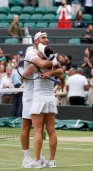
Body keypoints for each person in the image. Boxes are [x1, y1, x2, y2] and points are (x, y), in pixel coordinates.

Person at [20, 31, 61, 168]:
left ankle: (39, 157)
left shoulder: (46, 54)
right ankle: (27, 158)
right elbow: (42, 65)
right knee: (27, 126)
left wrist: (52, 70)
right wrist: (54, 62)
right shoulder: (30, 52)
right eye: (43, 37)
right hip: (30, 94)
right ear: (36, 41)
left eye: (48, 37)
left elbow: (57, 69)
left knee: (40, 129)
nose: (47, 39)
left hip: (40, 96)